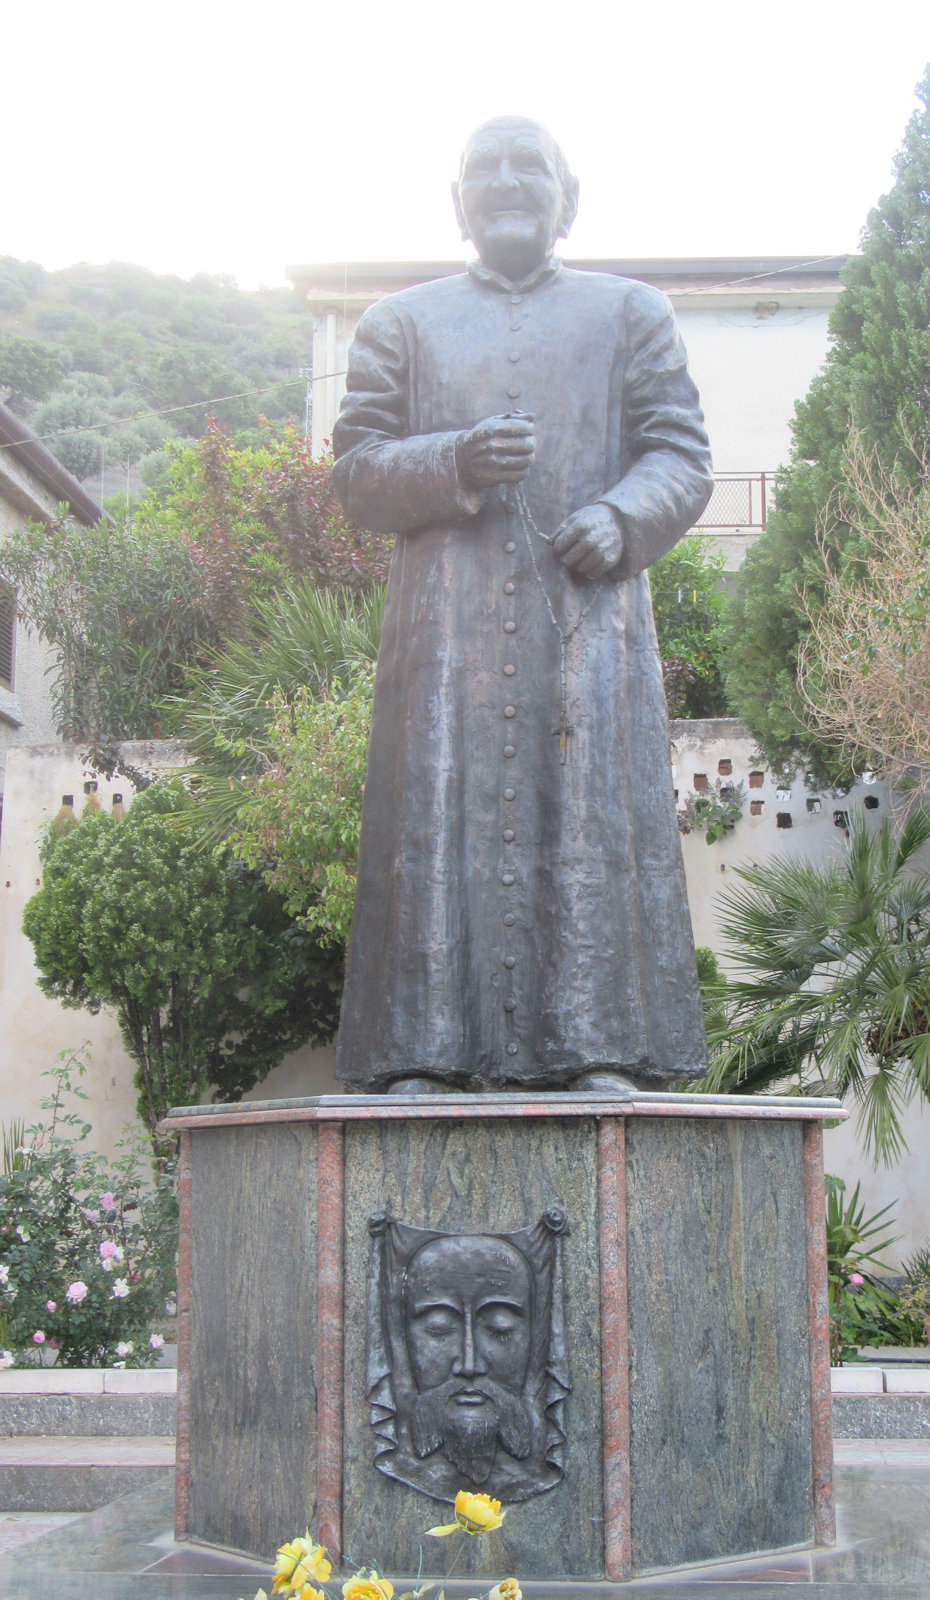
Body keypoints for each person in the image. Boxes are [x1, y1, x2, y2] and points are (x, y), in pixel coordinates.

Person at [332, 117, 713, 1095]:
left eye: (528, 166)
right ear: (456, 202)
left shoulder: (631, 312)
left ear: (568, 198)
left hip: (585, 626)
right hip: (443, 638)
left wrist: (622, 517)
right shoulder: (397, 324)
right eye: (484, 170)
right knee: (437, 819)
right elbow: (360, 475)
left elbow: (681, 453)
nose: (507, 182)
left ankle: (599, 1048)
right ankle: (422, 1050)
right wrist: (453, 459)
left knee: (587, 818)